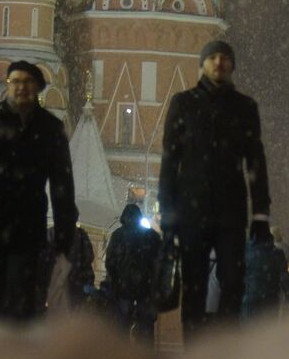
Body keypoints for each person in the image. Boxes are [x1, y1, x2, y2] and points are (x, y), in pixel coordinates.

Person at [157, 40, 271, 340]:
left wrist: (261, 213)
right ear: (203, 64)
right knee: (193, 284)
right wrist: (167, 212)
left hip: (230, 212)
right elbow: (170, 161)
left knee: (233, 281)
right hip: (191, 211)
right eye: (213, 58)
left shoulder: (245, 107)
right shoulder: (183, 103)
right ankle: (194, 350)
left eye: (224, 58)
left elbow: (255, 162)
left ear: (232, 65)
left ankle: (224, 349)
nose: (219, 63)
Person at [0, 59, 77, 321]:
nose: (21, 88)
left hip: (26, 230)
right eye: (15, 81)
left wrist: (64, 237)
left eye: (27, 82)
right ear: (7, 85)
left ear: (38, 88)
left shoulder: (49, 129)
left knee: (20, 305)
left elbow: (62, 186)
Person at [102, 202, 160, 343]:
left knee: (122, 326)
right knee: (145, 327)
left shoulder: (117, 235)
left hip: (123, 288)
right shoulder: (151, 236)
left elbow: (110, 262)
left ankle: (122, 357)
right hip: (145, 288)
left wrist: (115, 280)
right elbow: (159, 263)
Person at [242, 222, 289, 318]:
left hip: (249, 298)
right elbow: (283, 276)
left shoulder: (245, 253)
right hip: (270, 297)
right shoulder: (277, 253)